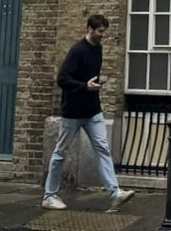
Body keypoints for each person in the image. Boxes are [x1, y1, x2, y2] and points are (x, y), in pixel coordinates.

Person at [41, 14, 133, 211]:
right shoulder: (77, 51)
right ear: (90, 29)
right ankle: (49, 195)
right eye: (100, 32)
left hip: (92, 111)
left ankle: (115, 192)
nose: (103, 35)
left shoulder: (98, 49)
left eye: (104, 32)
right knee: (60, 152)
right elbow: (62, 79)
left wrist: (95, 85)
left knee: (102, 148)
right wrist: (85, 86)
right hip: (73, 113)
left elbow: (92, 77)